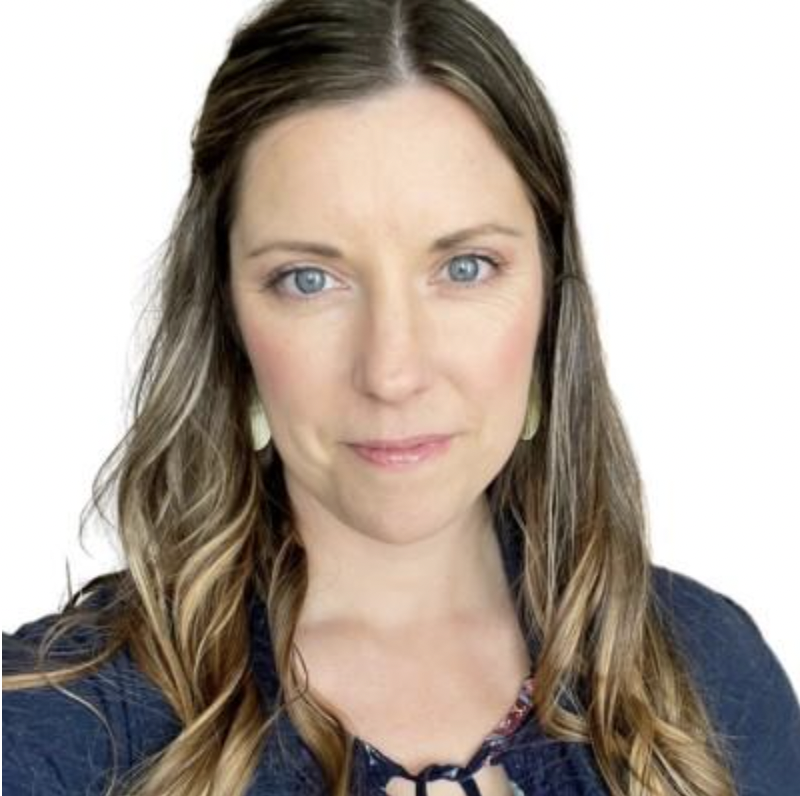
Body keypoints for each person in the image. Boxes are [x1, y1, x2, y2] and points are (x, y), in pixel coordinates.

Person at [3, 0, 799, 794]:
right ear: (230, 322)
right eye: (310, 280)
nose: (392, 371)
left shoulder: (710, 668)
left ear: (554, 307)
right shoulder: (53, 727)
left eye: (464, 268)